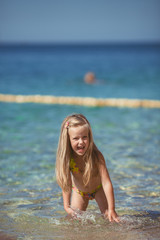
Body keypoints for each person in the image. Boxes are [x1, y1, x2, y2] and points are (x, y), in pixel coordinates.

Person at [56, 114, 119, 222]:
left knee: (110, 218)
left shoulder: (96, 156)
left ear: (89, 137)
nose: (81, 142)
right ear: (68, 140)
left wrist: (112, 209)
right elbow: (66, 182)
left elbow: (106, 183)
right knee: (73, 221)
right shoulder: (68, 159)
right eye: (76, 138)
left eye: (84, 137)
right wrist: (66, 206)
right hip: (79, 191)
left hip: (98, 189)